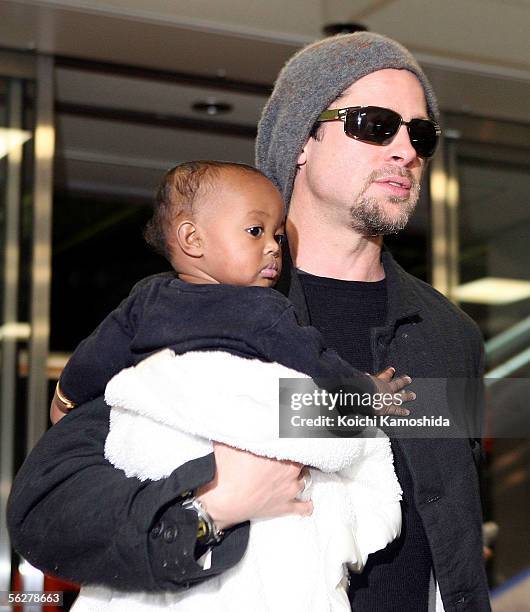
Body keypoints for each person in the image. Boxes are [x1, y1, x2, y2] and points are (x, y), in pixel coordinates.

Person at [7, 32, 489, 611]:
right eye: (373, 123)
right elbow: (47, 515)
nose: (406, 150)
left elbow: (452, 537)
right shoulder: (191, 309)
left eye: (421, 132)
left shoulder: (448, 337)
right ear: (300, 140)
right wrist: (209, 506)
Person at [44, 159, 406, 611]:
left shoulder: (146, 300)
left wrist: (64, 400)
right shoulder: (265, 311)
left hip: (170, 475)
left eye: (277, 236)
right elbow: (317, 364)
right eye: (256, 232)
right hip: (213, 454)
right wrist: (366, 393)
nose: (274, 249)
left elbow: (94, 356)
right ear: (192, 238)